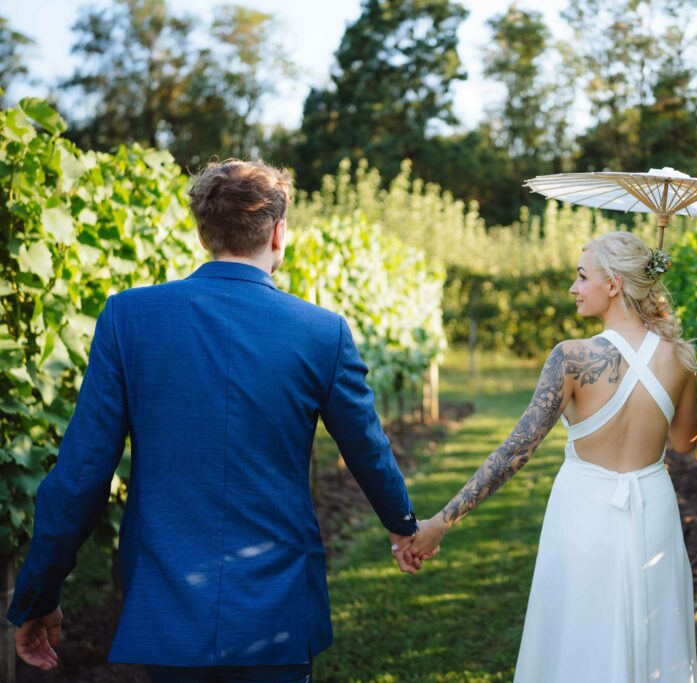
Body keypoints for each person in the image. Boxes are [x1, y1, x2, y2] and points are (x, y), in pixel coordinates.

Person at [7, 159, 424, 682]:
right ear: (278, 233)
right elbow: (367, 449)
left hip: (167, 599)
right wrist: (404, 526)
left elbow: (81, 473)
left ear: (204, 233)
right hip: (278, 604)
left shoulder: (128, 318)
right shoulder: (322, 332)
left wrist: (38, 594)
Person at [411, 230, 697, 682]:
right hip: (654, 511)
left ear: (614, 285)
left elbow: (516, 451)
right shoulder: (681, 357)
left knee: (578, 636)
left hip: (584, 511)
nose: (573, 288)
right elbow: (685, 442)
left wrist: (441, 522)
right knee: (653, 628)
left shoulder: (571, 357)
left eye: (582, 276)